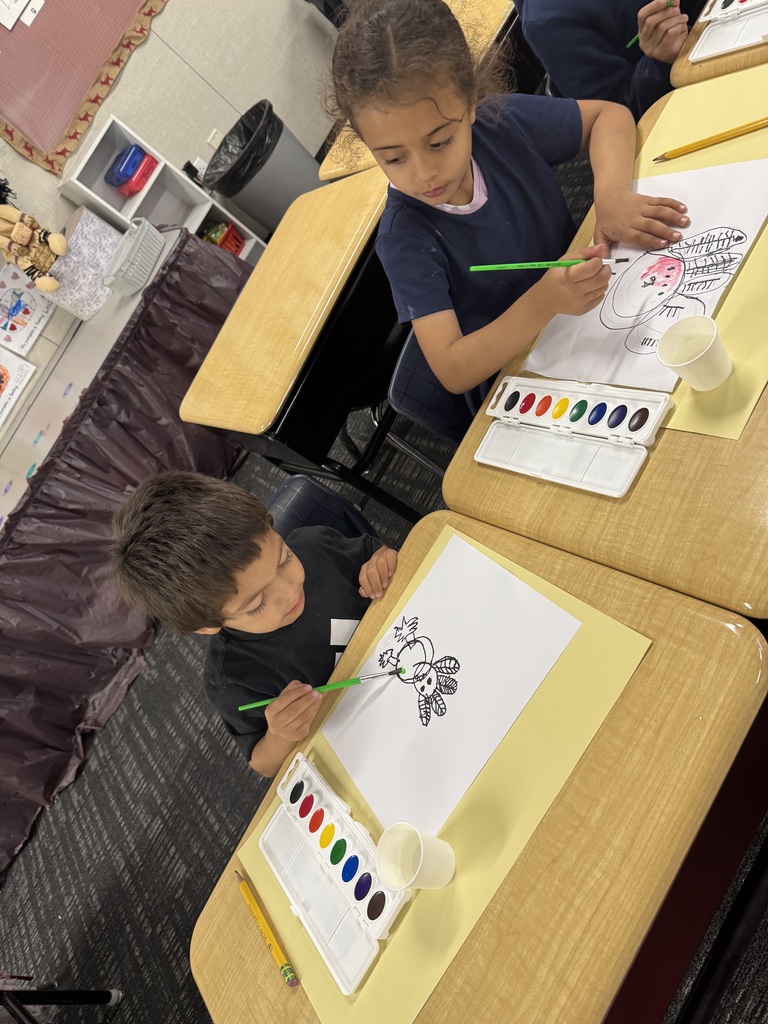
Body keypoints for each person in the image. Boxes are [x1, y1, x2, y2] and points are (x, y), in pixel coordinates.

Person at [328, 0, 692, 413]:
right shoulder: (404, 237)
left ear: (467, 104)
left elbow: (609, 117)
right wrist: (544, 303)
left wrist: (610, 195)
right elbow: (453, 368)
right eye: (393, 158)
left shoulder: (498, 124)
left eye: (439, 142)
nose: (425, 172)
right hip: (523, 375)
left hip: (592, 311)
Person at [110, 471, 397, 778]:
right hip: (367, 738)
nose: (288, 591)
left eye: (284, 559)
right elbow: (264, 764)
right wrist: (280, 735)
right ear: (207, 625)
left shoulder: (312, 544)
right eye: (257, 603)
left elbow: (376, 553)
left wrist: (382, 563)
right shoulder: (231, 679)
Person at [516, 0, 707, 121]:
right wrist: (658, 60)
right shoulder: (548, 22)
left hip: (713, 43)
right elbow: (614, 115)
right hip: (679, 108)